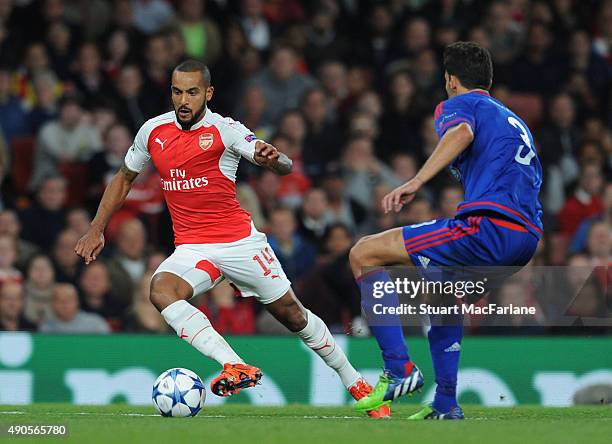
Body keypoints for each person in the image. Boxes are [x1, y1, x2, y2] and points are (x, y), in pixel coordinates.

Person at [75, 60, 388, 418]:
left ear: (207, 93)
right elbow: (124, 178)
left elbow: (280, 162)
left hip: (239, 243)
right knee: (160, 289)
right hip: (193, 248)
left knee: (293, 315)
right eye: (177, 91)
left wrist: (274, 160)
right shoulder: (152, 132)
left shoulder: (226, 130)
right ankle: (234, 365)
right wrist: (96, 227)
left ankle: (354, 381)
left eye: (192, 92)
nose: (183, 100)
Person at [349, 42, 543, 420]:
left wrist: (416, 180)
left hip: (488, 227)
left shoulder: (460, 105)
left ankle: (398, 368)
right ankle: (446, 404)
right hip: (526, 237)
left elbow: (461, 133)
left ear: (450, 80)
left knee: (363, 253)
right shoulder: (511, 119)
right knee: (439, 296)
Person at [39, 283, 110, 334]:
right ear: (53, 304)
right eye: (60, 300)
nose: (65, 304)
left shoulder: (96, 324)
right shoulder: (46, 328)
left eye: (69, 299)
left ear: (77, 302)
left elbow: (107, 348)